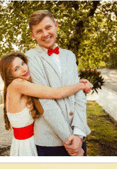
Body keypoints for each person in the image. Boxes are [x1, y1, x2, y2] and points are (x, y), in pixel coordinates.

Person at [25, 10, 91, 156]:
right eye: (39, 31)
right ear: (32, 35)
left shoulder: (69, 55)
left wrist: (79, 134)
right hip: (49, 142)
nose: (45, 34)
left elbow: (79, 94)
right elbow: (44, 101)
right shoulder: (30, 58)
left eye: (48, 27)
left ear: (56, 25)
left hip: (78, 137)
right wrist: (70, 140)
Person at [0, 52, 92, 156]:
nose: (24, 69)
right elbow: (57, 93)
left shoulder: (13, 87)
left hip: (23, 142)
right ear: (9, 74)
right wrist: (81, 86)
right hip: (26, 146)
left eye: (23, 63)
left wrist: (77, 83)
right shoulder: (18, 84)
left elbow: (48, 87)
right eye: (16, 69)